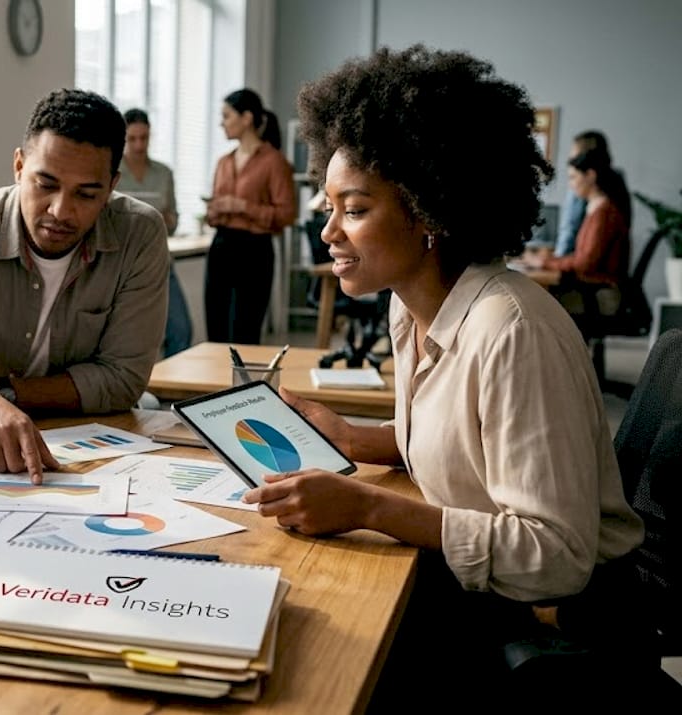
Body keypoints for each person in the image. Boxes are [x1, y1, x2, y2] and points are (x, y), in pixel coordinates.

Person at [248, 46, 651, 706]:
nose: (327, 232)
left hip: (544, 618)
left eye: (353, 209)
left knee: (316, 656)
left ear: (428, 211)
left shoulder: (509, 328)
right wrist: (354, 438)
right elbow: (461, 442)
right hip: (481, 589)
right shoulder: (412, 308)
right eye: (329, 207)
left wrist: (371, 505)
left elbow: (556, 554)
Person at [0, 89, 169, 484]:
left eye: (86, 194)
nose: (60, 211)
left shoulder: (139, 233)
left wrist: (1, 392)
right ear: (19, 166)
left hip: (89, 441)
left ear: (111, 187)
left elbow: (123, 380)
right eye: (46, 184)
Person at [204, 88, 296, 344]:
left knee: (245, 330)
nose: (222, 122)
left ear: (246, 118)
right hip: (221, 247)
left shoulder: (274, 162)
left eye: (226, 115)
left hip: (254, 251)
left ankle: (244, 385)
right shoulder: (223, 162)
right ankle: (216, 385)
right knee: (216, 329)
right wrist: (213, 211)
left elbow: (287, 214)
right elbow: (213, 211)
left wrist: (242, 206)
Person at [118, 108, 192, 357]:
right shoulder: (110, 171)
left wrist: (166, 219)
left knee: (181, 330)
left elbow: (173, 221)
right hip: (121, 263)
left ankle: (173, 393)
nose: (139, 145)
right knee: (126, 338)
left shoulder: (163, 173)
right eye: (132, 138)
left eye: (144, 138)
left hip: (159, 259)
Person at [539, 146, 632, 327]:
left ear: (590, 175)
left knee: (535, 302)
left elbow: (584, 264)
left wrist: (545, 262)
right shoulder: (596, 208)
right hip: (591, 287)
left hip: (597, 292)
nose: (571, 184)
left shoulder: (604, 213)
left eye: (573, 177)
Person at [552, 130, 612, 258]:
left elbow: (569, 229)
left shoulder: (600, 205)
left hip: (580, 268)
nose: (570, 159)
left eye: (573, 155)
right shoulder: (615, 182)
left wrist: (552, 261)